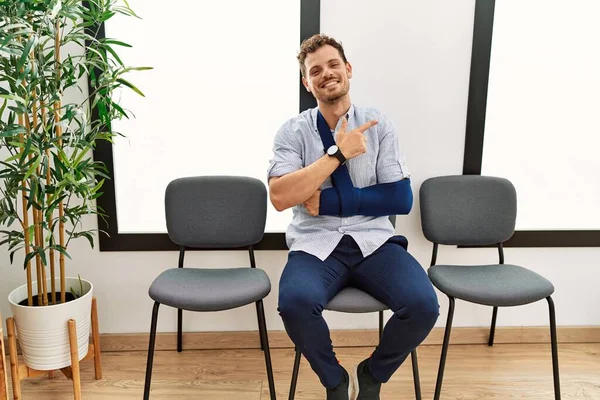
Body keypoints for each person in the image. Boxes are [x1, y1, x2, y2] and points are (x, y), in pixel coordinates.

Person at [267, 34, 439, 400]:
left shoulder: (379, 124)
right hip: (315, 244)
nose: (326, 74)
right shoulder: (291, 132)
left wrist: (328, 202)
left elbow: (399, 197)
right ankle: (335, 380)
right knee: (294, 304)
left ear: (347, 69)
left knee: (423, 305)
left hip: (374, 242)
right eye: (315, 71)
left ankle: (373, 373)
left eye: (332, 65)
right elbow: (281, 197)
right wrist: (337, 155)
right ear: (307, 82)